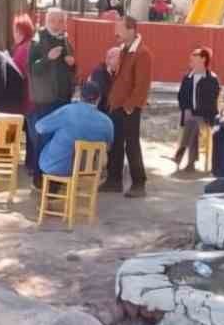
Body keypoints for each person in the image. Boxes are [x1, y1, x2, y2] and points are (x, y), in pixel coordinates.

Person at [102, 15, 153, 197]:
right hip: (117, 105)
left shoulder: (142, 53)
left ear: (131, 29)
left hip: (129, 107)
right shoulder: (124, 50)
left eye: (120, 29)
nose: (117, 33)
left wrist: (129, 106)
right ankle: (114, 180)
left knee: (131, 145)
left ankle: (139, 183)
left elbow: (142, 85)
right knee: (115, 144)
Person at [28, 9, 78, 176]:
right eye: (54, 21)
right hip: (45, 98)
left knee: (60, 140)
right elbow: (33, 69)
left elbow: (72, 70)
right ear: (46, 21)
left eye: (60, 21)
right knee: (43, 137)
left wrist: (72, 64)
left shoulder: (65, 40)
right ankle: (39, 177)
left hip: (63, 98)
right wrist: (48, 58)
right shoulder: (37, 40)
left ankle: (55, 177)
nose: (57, 25)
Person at [35, 80, 115, 176]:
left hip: (58, 167)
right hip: (91, 171)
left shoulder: (68, 110)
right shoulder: (107, 122)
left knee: (49, 138)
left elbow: (39, 127)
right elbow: (108, 147)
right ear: (99, 99)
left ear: (80, 96)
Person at [173, 47, 221, 175]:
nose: (191, 56)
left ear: (203, 58)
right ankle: (190, 164)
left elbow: (211, 101)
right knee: (192, 123)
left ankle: (180, 154)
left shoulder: (212, 79)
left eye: (195, 54)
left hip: (205, 115)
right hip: (190, 116)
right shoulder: (187, 78)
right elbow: (181, 97)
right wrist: (186, 109)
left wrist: (196, 112)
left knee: (193, 122)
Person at [10, 14, 36, 173]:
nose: (14, 34)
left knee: (32, 133)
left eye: (16, 31)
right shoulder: (28, 46)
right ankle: (30, 163)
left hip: (28, 96)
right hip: (31, 96)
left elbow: (17, 71)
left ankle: (32, 165)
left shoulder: (23, 49)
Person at [88, 42, 122, 115]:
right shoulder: (99, 72)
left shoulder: (116, 71)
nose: (121, 62)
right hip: (102, 112)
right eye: (119, 59)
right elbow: (103, 95)